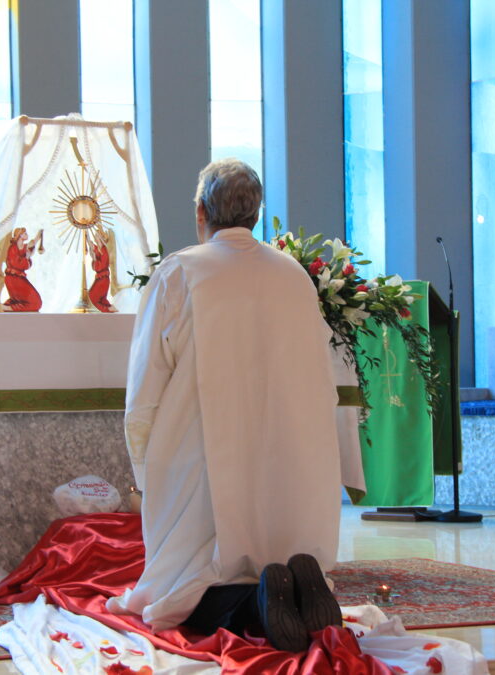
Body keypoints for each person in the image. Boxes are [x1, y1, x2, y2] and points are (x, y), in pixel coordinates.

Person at [106, 158, 343, 651]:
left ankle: (256, 605)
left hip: (202, 462)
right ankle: (297, 587)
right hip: (287, 458)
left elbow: (145, 384)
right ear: (256, 213)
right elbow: (322, 378)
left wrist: (147, 469)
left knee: (186, 589)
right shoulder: (293, 275)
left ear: (200, 212)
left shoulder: (180, 273)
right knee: (273, 541)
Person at [3, 227, 42, 312]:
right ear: (20, 235)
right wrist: (27, 257)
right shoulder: (12, 249)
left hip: (18, 279)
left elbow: (30, 245)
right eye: (25, 233)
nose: (27, 235)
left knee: (31, 301)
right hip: (14, 279)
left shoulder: (22, 247)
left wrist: (38, 237)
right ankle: (9, 308)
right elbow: (16, 264)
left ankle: (9, 307)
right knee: (35, 303)